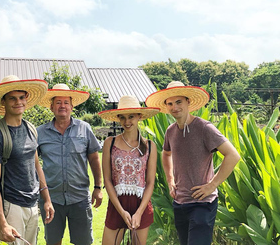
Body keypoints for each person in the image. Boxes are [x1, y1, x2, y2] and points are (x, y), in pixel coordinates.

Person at [145, 81, 240, 245]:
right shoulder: (170, 131)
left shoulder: (204, 128)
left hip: (202, 203)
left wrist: (212, 185)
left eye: (179, 102)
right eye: (170, 103)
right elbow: (166, 154)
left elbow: (233, 155)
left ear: (188, 102)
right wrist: (170, 180)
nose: (175, 107)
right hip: (180, 202)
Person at [0, 75, 55, 245]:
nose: (18, 102)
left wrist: (47, 200)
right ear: (3, 102)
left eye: (21, 97)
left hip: (31, 203)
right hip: (10, 205)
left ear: (26, 99)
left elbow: (36, 165)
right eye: (12, 98)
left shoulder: (30, 129)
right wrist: (2, 223)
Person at [37, 84, 103, 245]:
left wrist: (98, 187)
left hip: (79, 198)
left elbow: (94, 159)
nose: (62, 106)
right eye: (58, 102)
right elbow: (32, 164)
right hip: (51, 199)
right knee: (53, 242)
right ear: (51, 107)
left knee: (83, 242)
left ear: (72, 106)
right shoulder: (39, 133)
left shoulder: (84, 129)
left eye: (66, 102)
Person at [98, 95, 160, 245]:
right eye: (123, 117)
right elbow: (107, 179)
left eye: (131, 117)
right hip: (116, 204)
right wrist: (121, 211)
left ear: (139, 116)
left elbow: (150, 182)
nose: (127, 122)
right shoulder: (110, 143)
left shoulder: (150, 146)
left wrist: (139, 213)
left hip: (141, 205)